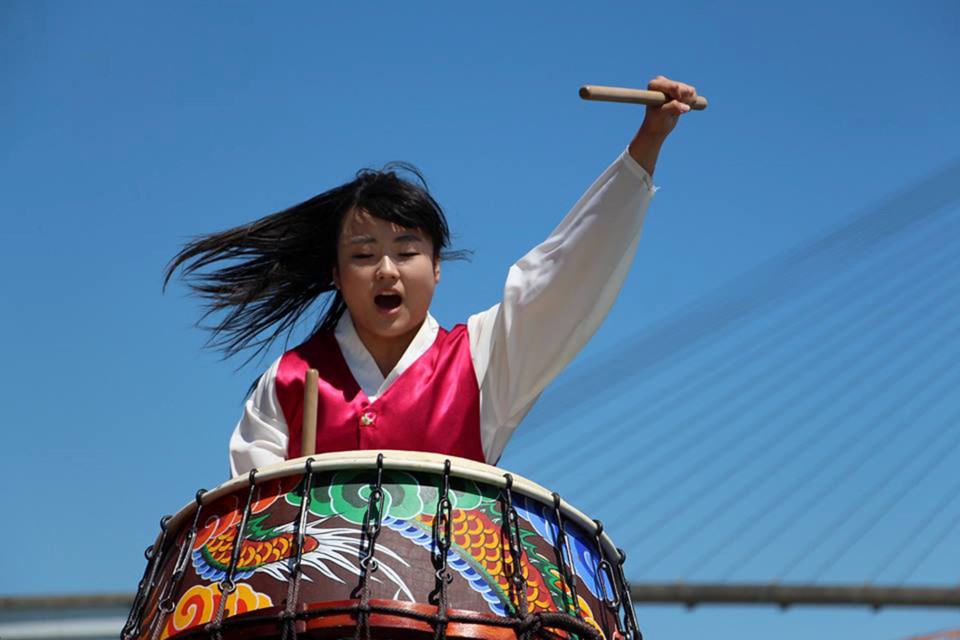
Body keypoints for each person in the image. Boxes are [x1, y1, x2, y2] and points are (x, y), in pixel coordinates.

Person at [165, 75, 698, 478]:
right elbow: (251, 528)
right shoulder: (287, 382)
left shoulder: (484, 362)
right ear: (335, 274)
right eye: (363, 254)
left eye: (406, 250)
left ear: (437, 268)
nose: (387, 270)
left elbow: (567, 273)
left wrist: (647, 144)